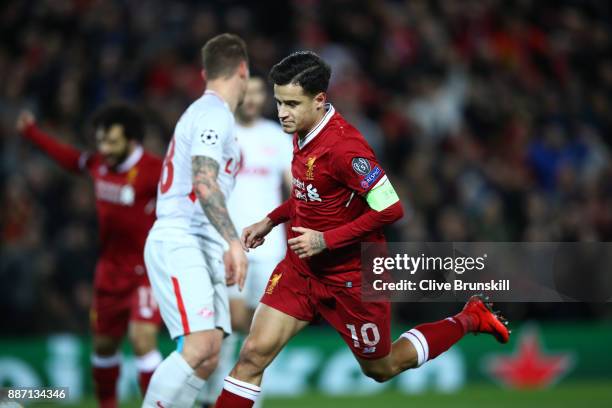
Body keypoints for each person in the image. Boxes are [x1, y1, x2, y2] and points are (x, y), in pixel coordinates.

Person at [215, 51, 511, 408]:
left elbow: (392, 207)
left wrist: (326, 240)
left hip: (353, 276)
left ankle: (470, 318)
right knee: (252, 356)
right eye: (279, 102)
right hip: (302, 269)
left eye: (291, 104)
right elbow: (311, 195)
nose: (282, 113)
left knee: (381, 367)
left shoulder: (346, 149)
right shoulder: (301, 131)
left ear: (320, 100)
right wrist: (271, 219)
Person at [16, 105, 163, 408]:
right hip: (110, 273)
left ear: (132, 140)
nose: (104, 149)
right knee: (104, 347)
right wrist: (32, 132)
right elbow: (69, 159)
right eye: (101, 142)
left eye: (111, 142)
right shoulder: (98, 165)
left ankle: (158, 404)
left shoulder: (155, 171)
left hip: (147, 273)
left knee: (142, 341)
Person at [142, 33, 249, 408]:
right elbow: (204, 182)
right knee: (199, 346)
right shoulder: (213, 114)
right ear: (243, 69)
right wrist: (234, 243)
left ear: (205, 72)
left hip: (201, 241)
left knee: (210, 355)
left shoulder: (210, 115)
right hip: (180, 237)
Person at [201, 76, 293, 407]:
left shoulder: (277, 136)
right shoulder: (221, 134)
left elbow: (293, 188)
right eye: (247, 93)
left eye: (258, 94)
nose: (252, 100)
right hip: (229, 245)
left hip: (271, 248)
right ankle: (213, 396)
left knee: (260, 332)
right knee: (230, 324)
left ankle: (251, 399)